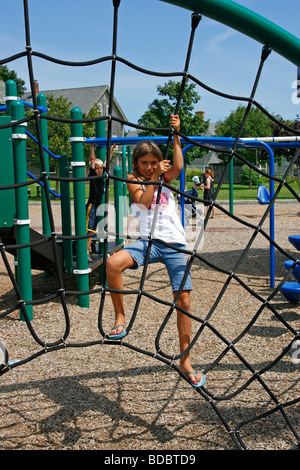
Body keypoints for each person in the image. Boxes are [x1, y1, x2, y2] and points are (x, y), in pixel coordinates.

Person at [105, 114, 206, 388]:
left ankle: (185, 360)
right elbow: (146, 202)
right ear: (137, 164)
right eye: (144, 163)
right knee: (113, 264)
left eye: (153, 162)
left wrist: (176, 134)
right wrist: (157, 176)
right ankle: (120, 317)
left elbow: (179, 164)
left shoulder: (166, 175)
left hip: (174, 243)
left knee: (183, 299)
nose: (149, 167)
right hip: (147, 241)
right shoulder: (132, 179)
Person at [86, 141, 115, 262]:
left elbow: (107, 159)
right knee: (89, 230)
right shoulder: (93, 175)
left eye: (100, 168)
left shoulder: (103, 174)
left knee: (95, 229)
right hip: (92, 205)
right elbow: (92, 159)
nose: (98, 170)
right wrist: (92, 145)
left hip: (98, 206)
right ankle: (86, 251)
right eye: (96, 168)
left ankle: (90, 249)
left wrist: (113, 147)